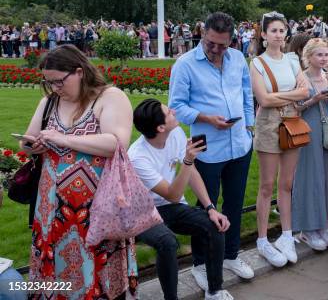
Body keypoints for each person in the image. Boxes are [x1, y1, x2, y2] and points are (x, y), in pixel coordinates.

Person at [20, 45, 137, 299]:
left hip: (97, 212)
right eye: (48, 82)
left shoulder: (109, 97)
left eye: (59, 82)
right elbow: (26, 141)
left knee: (96, 273)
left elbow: (117, 144)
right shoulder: (49, 102)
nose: (54, 88)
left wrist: (64, 139)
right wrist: (32, 145)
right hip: (51, 211)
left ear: (79, 72)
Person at [169, 12, 256, 285]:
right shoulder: (185, 65)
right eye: (211, 43)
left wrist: (248, 127)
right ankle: (200, 262)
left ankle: (231, 254)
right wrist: (207, 118)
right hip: (205, 146)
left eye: (223, 44)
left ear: (232, 40)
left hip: (240, 144)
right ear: (202, 34)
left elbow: (246, 93)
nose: (216, 49)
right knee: (205, 207)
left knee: (234, 202)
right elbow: (177, 108)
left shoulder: (238, 59)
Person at [129, 99, 232, 300]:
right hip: (142, 213)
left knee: (214, 224)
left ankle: (215, 291)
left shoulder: (174, 133)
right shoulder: (137, 157)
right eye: (169, 113)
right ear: (160, 127)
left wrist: (210, 207)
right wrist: (187, 159)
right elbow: (173, 193)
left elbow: (191, 174)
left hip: (171, 207)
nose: (174, 112)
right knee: (167, 242)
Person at [250, 11, 309, 267]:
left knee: (286, 184)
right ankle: (262, 239)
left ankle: (286, 235)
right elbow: (263, 100)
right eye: (273, 30)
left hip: (292, 122)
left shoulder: (293, 59)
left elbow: (306, 90)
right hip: (268, 125)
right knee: (266, 185)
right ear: (264, 34)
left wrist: (286, 96)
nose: (278, 34)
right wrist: (292, 94)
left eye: (282, 30)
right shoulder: (257, 64)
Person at [291, 39, 328, 251]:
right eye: (319, 55)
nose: (324, 58)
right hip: (307, 129)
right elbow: (295, 107)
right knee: (309, 177)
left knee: (325, 177)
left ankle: (321, 225)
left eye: (326, 55)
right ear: (309, 56)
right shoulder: (301, 78)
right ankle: (307, 229)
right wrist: (314, 99)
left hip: (326, 131)